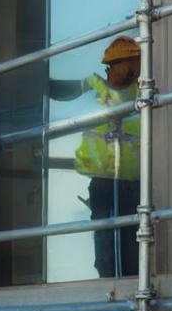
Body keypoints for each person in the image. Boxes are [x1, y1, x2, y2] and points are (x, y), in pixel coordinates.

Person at [60, 36, 142, 278]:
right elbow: (65, 92)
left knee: (132, 249)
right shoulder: (96, 86)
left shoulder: (143, 89)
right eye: (110, 66)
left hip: (133, 183)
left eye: (114, 65)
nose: (109, 71)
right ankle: (109, 288)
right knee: (106, 253)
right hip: (104, 183)